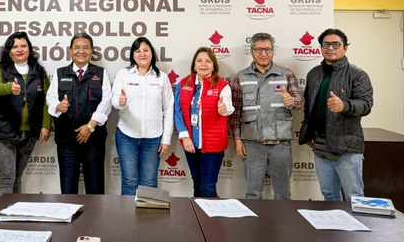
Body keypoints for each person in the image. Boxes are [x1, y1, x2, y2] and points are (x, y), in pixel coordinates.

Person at [299, 28, 373, 202]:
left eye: (335, 44)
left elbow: (366, 105)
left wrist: (344, 105)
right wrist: (307, 133)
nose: (330, 48)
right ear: (321, 48)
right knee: (330, 196)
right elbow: (309, 107)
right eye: (326, 44)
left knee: (354, 197)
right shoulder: (314, 74)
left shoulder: (357, 74)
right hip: (320, 146)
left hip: (347, 147)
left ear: (345, 48)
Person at [230, 32, 304, 200]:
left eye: (268, 49)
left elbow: (300, 102)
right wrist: (237, 139)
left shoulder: (286, 74)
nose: (263, 54)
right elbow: (235, 112)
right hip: (252, 144)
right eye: (258, 49)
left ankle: (282, 218)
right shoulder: (241, 77)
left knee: (283, 194)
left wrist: (291, 101)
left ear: (273, 51)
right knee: (253, 194)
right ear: (251, 51)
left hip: (281, 144)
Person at [0, 32, 51, 200]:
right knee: (6, 180)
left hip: (28, 134)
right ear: (8, 50)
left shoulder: (39, 72)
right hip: (1, 132)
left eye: (23, 46)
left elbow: (46, 100)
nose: (19, 50)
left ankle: (13, 213)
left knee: (17, 178)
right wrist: (9, 88)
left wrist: (45, 125)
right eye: (14, 47)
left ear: (29, 49)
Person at [46, 32, 112, 194]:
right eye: (77, 47)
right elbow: (50, 98)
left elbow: (106, 102)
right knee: (68, 191)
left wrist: (90, 126)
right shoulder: (60, 73)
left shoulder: (100, 73)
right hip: (67, 141)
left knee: (95, 191)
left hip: (94, 140)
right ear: (70, 51)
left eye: (85, 48)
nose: (81, 51)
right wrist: (58, 106)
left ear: (91, 51)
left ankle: (94, 214)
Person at [111, 37, 174, 196]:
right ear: (133, 55)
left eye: (146, 50)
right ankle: (128, 213)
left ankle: (147, 213)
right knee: (129, 181)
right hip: (126, 136)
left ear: (152, 53)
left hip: (153, 138)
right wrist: (120, 102)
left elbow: (168, 109)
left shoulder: (162, 77)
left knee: (149, 182)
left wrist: (166, 139)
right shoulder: (123, 74)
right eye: (138, 51)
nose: (142, 54)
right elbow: (115, 101)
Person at [175, 47, 234, 197]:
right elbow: (177, 112)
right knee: (197, 184)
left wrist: (223, 108)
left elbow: (228, 107)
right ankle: (197, 213)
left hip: (213, 145)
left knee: (208, 187)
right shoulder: (184, 84)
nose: (203, 64)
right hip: (190, 144)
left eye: (208, 61)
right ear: (194, 65)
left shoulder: (222, 85)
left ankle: (210, 213)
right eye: (199, 61)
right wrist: (184, 137)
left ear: (214, 65)